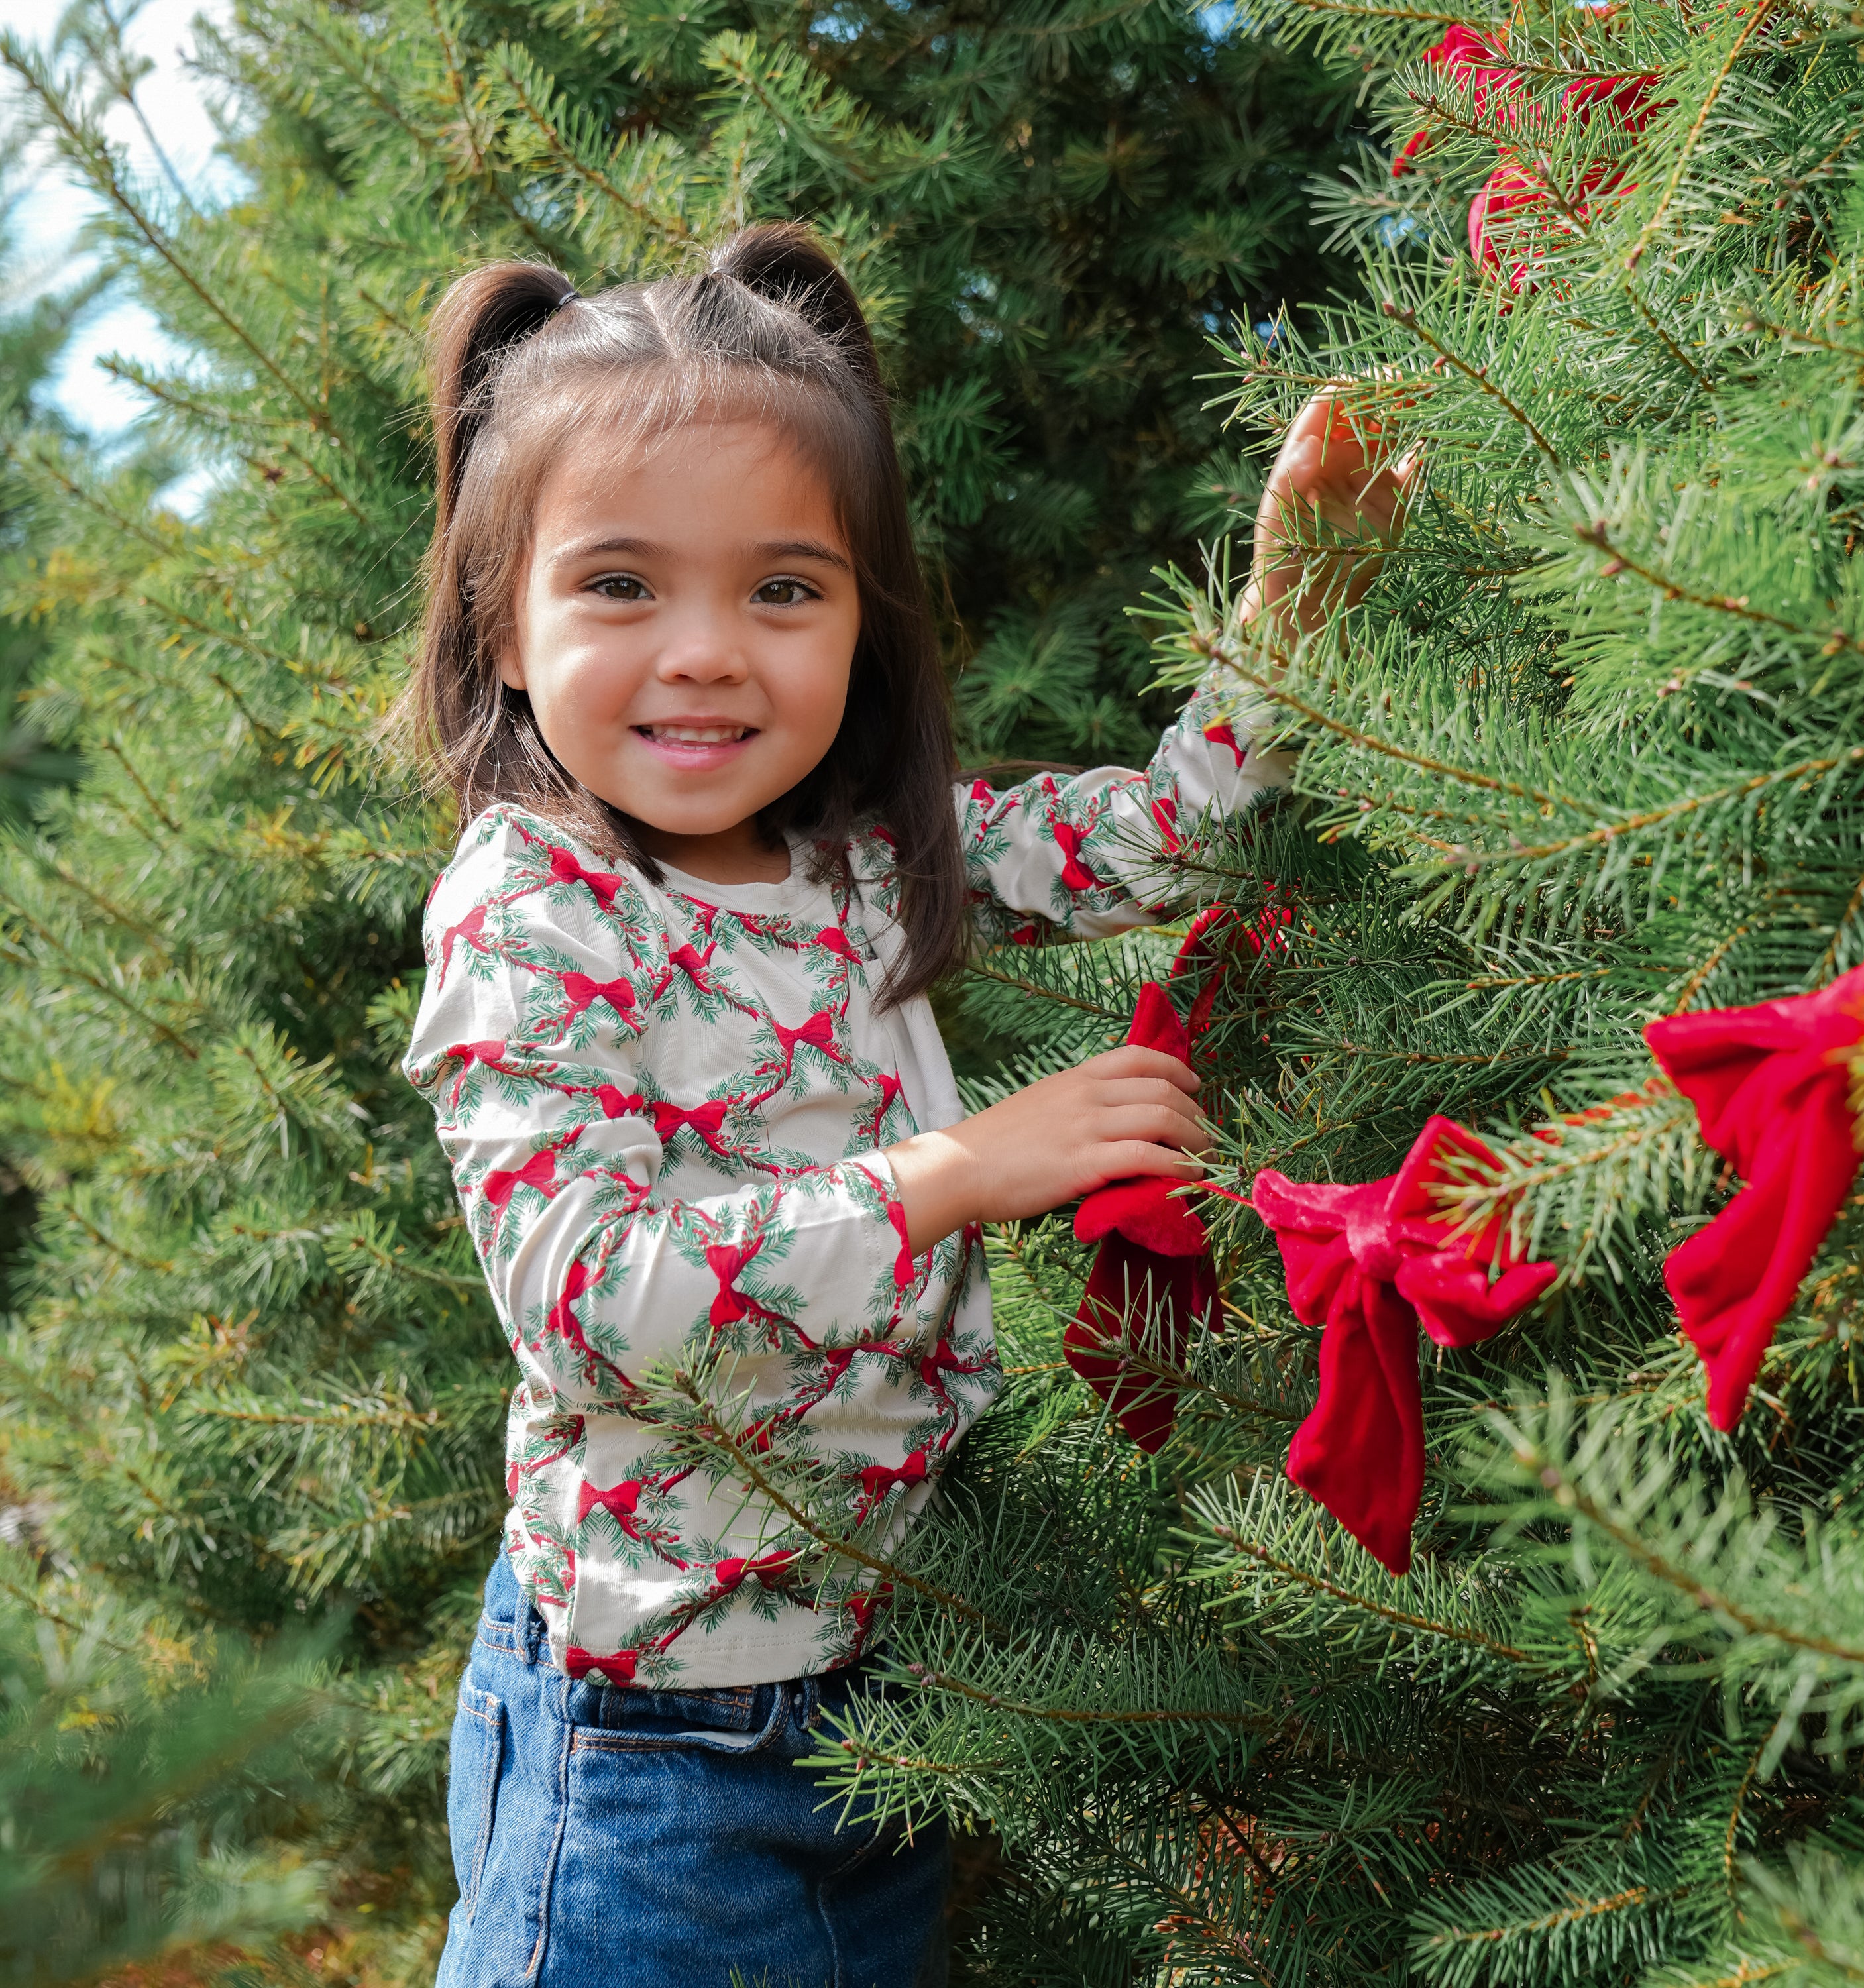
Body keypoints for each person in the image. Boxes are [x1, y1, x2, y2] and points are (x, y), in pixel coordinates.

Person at [397, 224, 1372, 1988]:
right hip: (646, 1760)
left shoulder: (864, 866)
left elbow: (1167, 835)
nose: (706, 651)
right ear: (506, 626)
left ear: (864, 623)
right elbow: (590, 1301)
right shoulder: (528, 903)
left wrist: (1287, 622)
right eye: (621, 586)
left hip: (883, 1699)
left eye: (783, 590)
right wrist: (951, 1173)